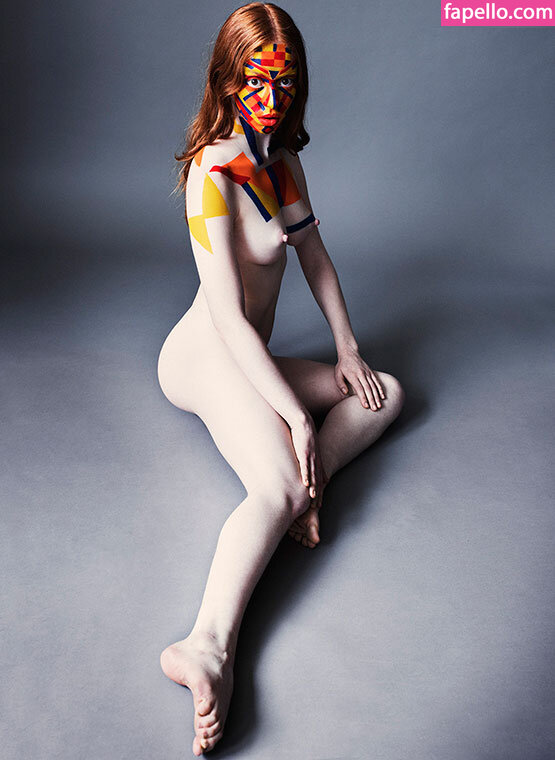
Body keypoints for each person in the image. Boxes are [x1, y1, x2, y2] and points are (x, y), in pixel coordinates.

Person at [157, 2, 405, 754]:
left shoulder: (279, 164)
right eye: (258, 81)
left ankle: (310, 482)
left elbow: (315, 260)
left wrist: (348, 351)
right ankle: (206, 646)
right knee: (275, 488)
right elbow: (228, 318)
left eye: (285, 81)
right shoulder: (212, 172)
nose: (272, 97)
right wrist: (295, 417)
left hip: (252, 361)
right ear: (228, 79)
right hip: (204, 356)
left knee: (382, 394)